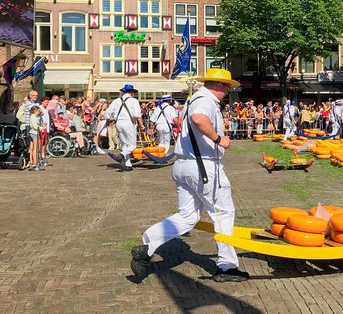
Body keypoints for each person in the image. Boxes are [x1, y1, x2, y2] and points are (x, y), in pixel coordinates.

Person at [131, 68, 249, 283]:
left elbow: (184, 121)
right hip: (203, 167)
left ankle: (148, 245)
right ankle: (227, 266)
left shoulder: (193, 99)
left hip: (184, 165)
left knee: (187, 216)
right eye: (227, 88)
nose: (227, 92)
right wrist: (217, 139)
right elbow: (198, 119)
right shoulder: (205, 100)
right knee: (223, 214)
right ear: (220, 86)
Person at [105, 85, 144, 171]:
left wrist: (111, 119)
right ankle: (121, 155)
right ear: (132, 92)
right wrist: (141, 125)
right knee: (132, 145)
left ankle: (128, 165)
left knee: (125, 145)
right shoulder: (134, 101)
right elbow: (138, 115)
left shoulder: (116, 101)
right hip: (129, 123)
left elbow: (107, 113)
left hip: (118, 123)